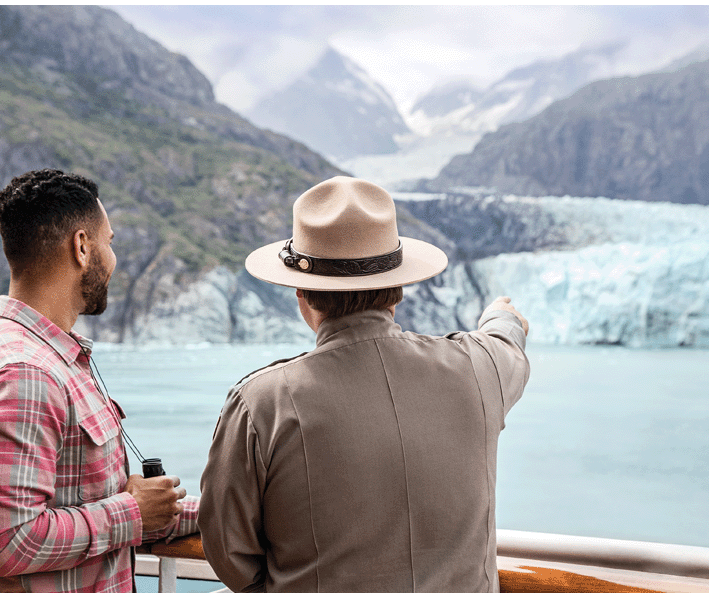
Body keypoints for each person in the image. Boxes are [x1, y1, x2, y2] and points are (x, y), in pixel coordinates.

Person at [199, 176, 531, 592]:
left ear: (302, 291)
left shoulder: (262, 403)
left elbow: (229, 551)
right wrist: (502, 316)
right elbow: (506, 343)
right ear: (400, 289)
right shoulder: (478, 368)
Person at [0, 168, 197, 593]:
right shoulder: (25, 372)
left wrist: (231, 510)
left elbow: (88, 503)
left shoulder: (49, 357)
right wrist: (133, 512)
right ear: (82, 247)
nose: (113, 257)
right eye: (110, 241)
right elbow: (4, 541)